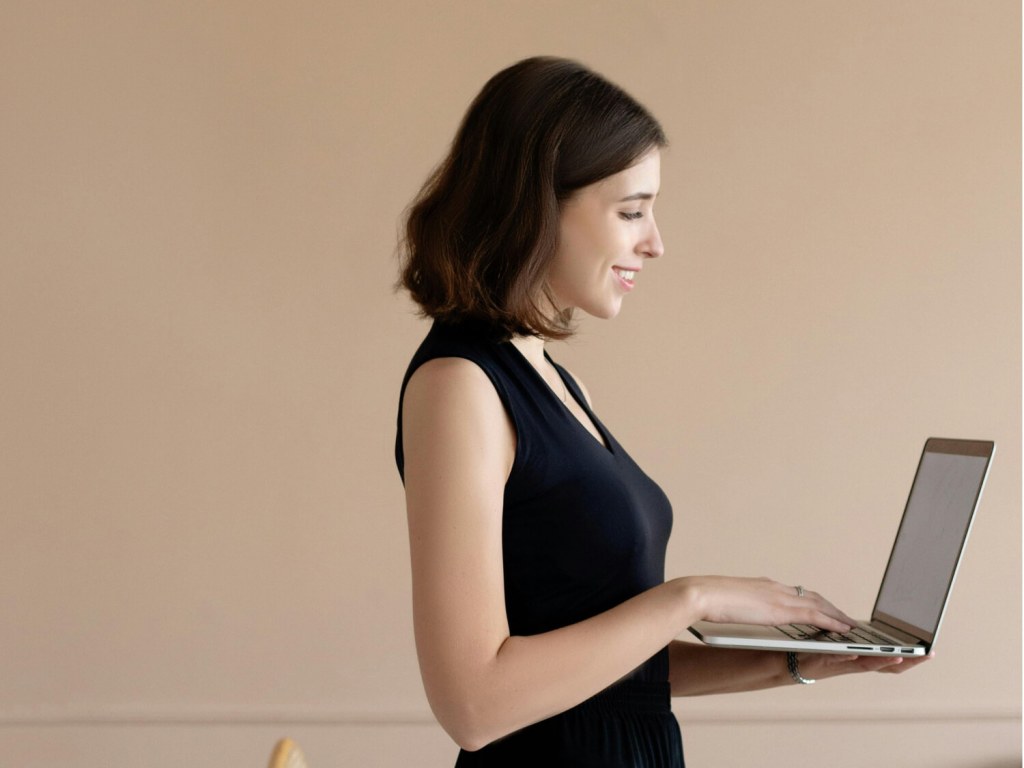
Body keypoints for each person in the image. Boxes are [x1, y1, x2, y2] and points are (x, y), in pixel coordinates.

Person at [394, 56, 929, 767]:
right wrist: (694, 597)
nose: (655, 241)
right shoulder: (459, 384)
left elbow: (613, 681)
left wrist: (800, 663)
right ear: (538, 205)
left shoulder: (548, 378)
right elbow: (472, 704)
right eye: (632, 211)